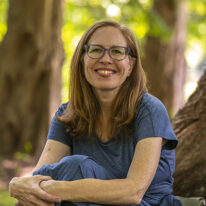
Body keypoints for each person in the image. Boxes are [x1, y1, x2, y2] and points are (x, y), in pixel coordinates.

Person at [9, 20, 182, 206]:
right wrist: (17, 184)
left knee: (76, 167)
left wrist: (53, 189)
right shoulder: (68, 113)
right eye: (96, 50)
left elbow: (133, 192)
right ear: (82, 58)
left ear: (130, 65)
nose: (106, 59)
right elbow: (38, 179)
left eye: (117, 51)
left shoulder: (149, 109)